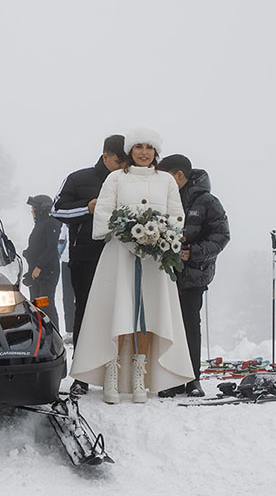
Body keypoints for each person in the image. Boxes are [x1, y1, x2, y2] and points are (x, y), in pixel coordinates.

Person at [69, 128, 194, 404]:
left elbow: (176, 216)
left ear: (156, 152)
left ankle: (141, 376)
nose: (144, 152)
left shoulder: (166, 181)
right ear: (130, 150)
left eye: (149, 147)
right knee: (120, 311)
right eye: (139, 147)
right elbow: (103, 212)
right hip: (120, 256)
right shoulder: (115, 178)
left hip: (154, 259)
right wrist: (125, 231)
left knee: (148, 315)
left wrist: (160, 234)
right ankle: (111, 374)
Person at [52, 134, 126, 394]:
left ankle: (119, 372)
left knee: (120, 314)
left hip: (121, 257)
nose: (121, 167)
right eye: (117, 161)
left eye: (124, 163)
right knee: (85, 313)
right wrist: (87, 208)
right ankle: (81, 375)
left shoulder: (129, 179)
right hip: (85, 258)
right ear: (105, 156)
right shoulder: (78, 178)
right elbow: (57, 210)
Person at [156, 154, 230, 397]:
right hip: (164, 275)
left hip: (193, 275)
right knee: (167, 328)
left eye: (165, 176)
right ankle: (171, 379)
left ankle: (192, 379)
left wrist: (194, 253)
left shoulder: (207, 201)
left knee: (189, 326)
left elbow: (221, 235)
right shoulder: (163, 199)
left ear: (179, 175)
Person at [23, 195, 62, 328]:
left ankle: (54, 336)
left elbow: (51, 247)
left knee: (46, 305)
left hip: (46, 272)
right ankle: (40, 334)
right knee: (36, 305)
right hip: (35, 272)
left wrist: (39, 267)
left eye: (33, 208)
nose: (32, 211)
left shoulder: (51, 223)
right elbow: (38, 246)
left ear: (41, 209)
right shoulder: (39, 224)